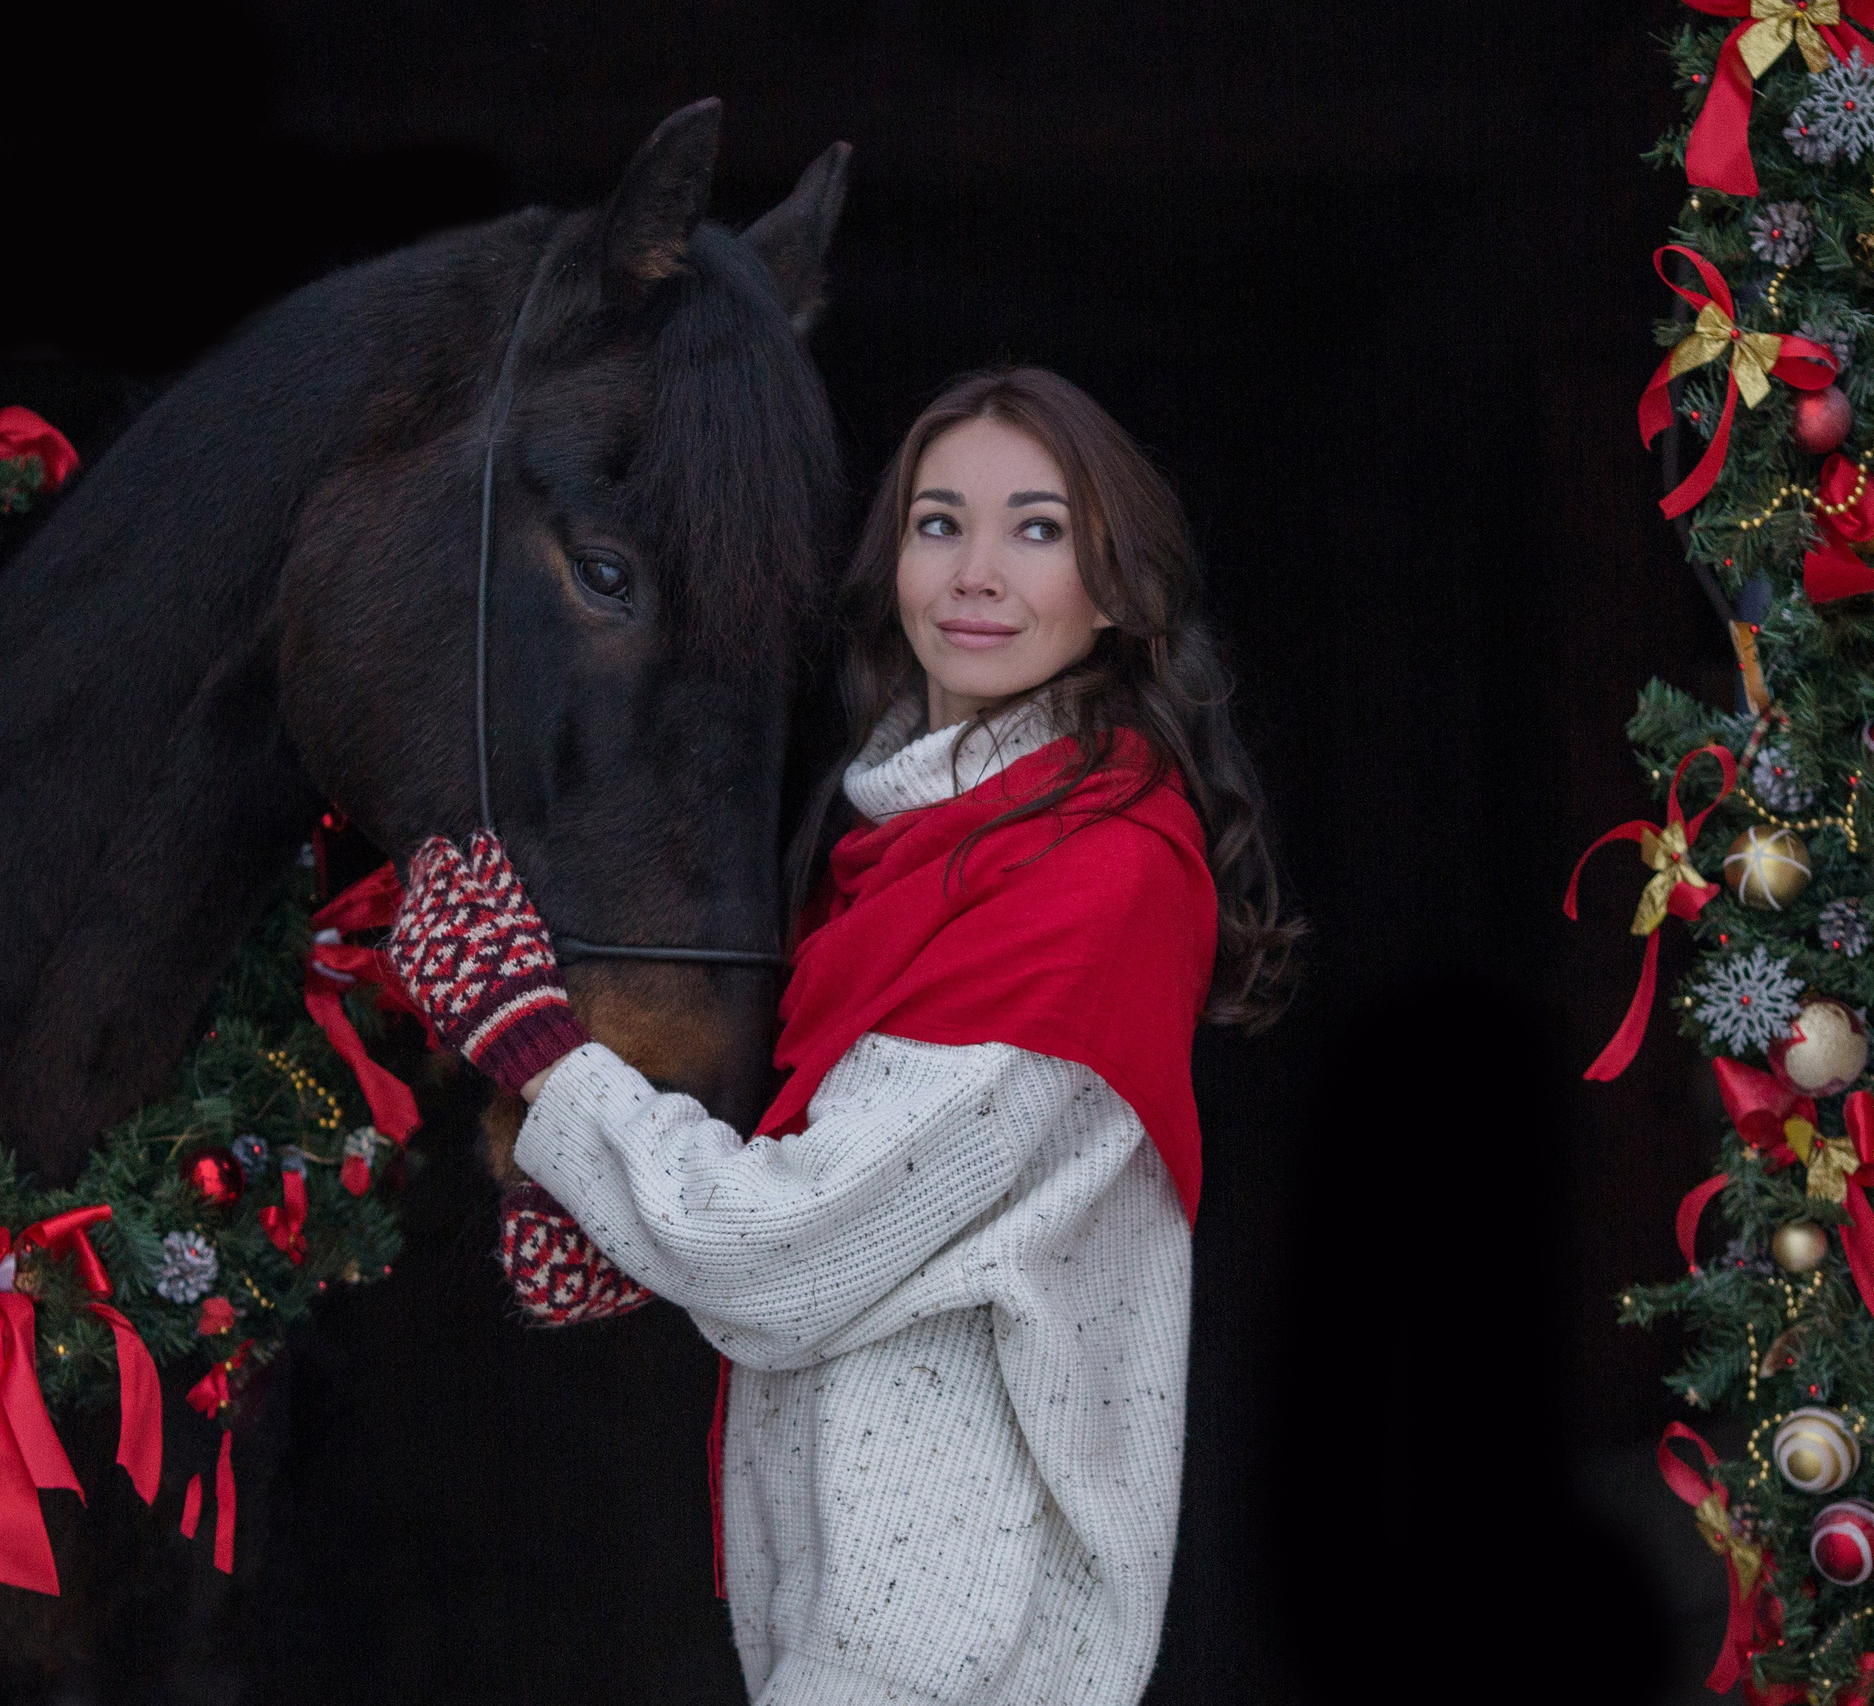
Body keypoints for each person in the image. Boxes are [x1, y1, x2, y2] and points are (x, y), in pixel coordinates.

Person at [384, 367, 1298, 1705]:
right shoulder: (892, 857)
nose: (977, 572)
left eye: (1038, 528)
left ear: (1117, 587)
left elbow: (785, 1250)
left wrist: (537, 1052)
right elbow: (876, 1214)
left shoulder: (1097, 877)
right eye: (939, 523)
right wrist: (623, 1219)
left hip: (952, 1664)